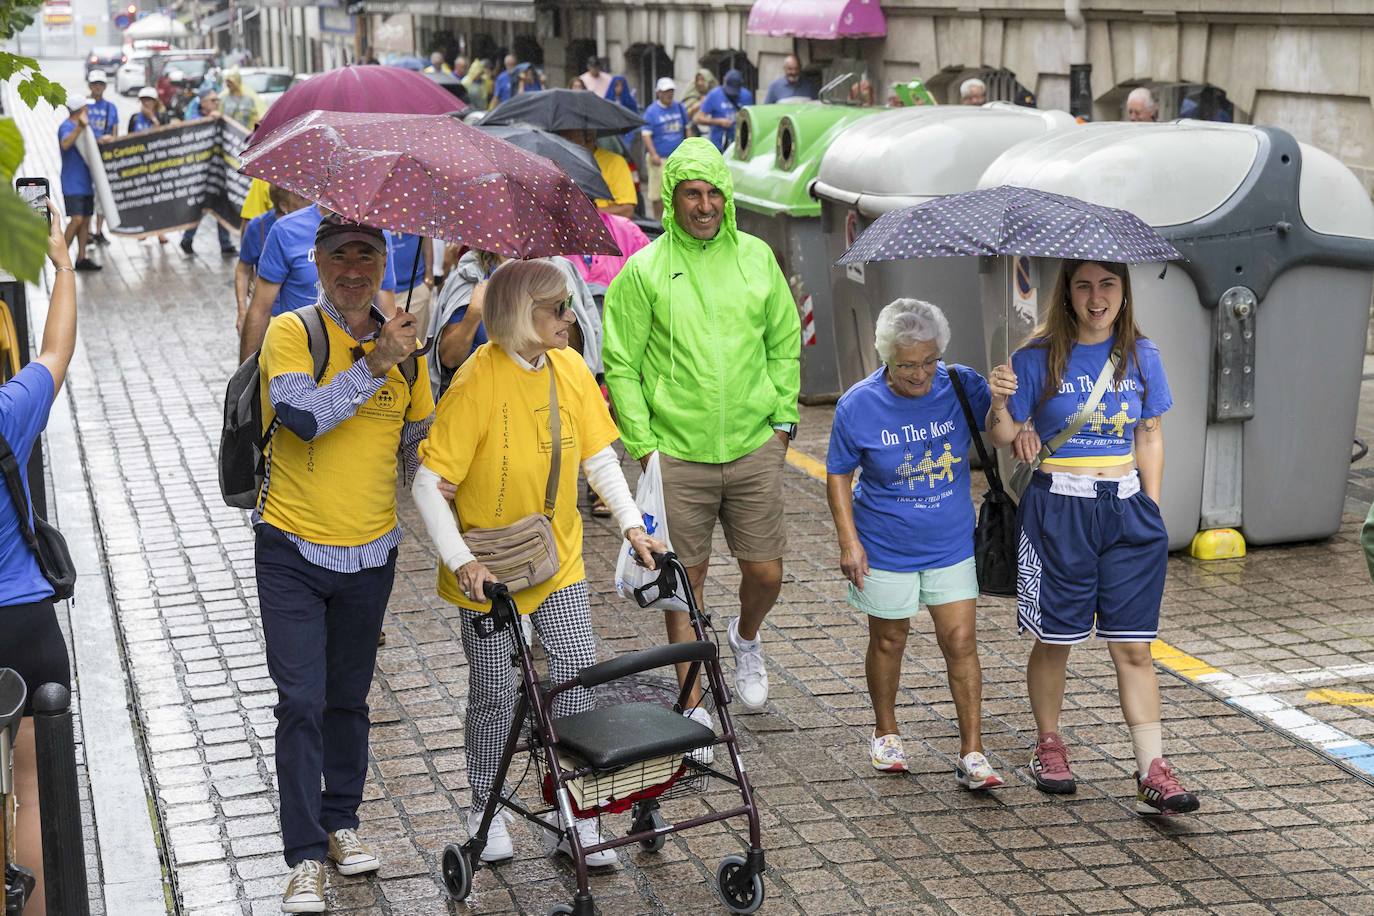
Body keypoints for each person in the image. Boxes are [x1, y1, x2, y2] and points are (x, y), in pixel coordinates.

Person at [411, 258, 662, 867]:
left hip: (557, 557)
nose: (571, 319)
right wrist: (463, 559)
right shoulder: (476, 380)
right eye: (558, 308)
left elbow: (600, 457)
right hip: (490, 570)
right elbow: (427, 484)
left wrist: (631, 524)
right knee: (496, 690)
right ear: (523, 313)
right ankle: (486, 806)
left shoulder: (570, 367)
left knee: (575, 675)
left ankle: (572, 807)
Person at [255, 215, 433, 913]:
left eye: (367, 255)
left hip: (373, 552)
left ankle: (341, 823)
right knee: (300, 702)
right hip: (293, 547)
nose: (354, 269)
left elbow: (420, 441)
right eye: (340, 256)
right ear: (319, 263)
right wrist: (376, 363)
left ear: (385, 263)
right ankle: (303, 857)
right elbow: (302, 416)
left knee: (348, 702)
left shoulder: (405, 347)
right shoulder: (293, 333)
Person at [986, 259, 1200, 817]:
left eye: (1108, 284)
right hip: (1060, 507)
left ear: (1124, 292)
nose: (1096, 296)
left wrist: (1150, 509)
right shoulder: (1036, 357)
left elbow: (1149, 433)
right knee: (1056, 638)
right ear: (1068, 294)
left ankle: (1152, 769)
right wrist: (1002, 403)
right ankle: (1049, 746)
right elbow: (1006, 437)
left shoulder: (1142, 355)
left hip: (1127, 510)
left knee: (1133, 645)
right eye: (1084, 285)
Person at [603, 138, 800, 728]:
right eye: (693, 193)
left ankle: (745, 639)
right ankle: (691, 705)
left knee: (766, 571)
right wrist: (645, 446)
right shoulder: (645, 270)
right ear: (673, 199)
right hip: (678, 454)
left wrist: (783, 421)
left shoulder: (757, 258)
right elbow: (621, 363)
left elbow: (783, 343)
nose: (705, 204)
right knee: (683, 583)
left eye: (715, 192)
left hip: (753, 443)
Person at [825, 299, 1006, 788]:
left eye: (929, 361)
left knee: (961, 642)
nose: (921, 374)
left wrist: (1005, 394)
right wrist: (849, 542)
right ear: (885, 356)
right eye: (908, 365)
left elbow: (999, 428)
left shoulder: (961, 383)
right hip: (885, 543)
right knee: (888, 639)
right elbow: (839, 475)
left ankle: (973, 751)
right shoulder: (859, 404)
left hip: (950, 542)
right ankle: (886, 732)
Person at [0, 201, 75, 916]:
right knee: (31, 790)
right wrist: (60, 265)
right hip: (22, 620)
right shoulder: (8, 411)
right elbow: (55, 350)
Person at [426, 249, 603, 402]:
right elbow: (449, 359)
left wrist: (556, 306)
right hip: (485, 396)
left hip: (543, 397)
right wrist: (473, 313)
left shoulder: (556, 272)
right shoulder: (471, 276)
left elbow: (575, 351)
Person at [240, 204, 399, 360]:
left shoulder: (377, 230)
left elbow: (385, 300)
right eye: (339, 257)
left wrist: (396, 347)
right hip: (301, 349)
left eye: (364, 258)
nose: (352, 272)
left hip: (363, 354)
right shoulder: (286, 229)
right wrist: (244, 378)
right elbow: (260, 309)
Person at [236, 186, 306, 334]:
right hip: (270, 317)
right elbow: (242, 270)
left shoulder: (313, 225)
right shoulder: (258, 227)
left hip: (303, 319)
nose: (308, 200)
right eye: (301, 197)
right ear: (284, 206)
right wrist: (242, 312)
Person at [57, 97, 99, 272]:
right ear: (80, 110)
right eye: (85, 108)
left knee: (86, 220)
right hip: (72, 181)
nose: (88, 111)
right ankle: (60, 257)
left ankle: (81, 258)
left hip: (86, 180)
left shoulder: (87, 127)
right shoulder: (66, 126)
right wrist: (80, 127)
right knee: (76, 219)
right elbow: (65, 144)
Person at [557, 128, 636, 218]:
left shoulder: (614, 162)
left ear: (589, 136)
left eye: (568, 138)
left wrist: (584, 213)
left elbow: (627, 210)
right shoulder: (554, 162)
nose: (561, 142)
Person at [641, 77, 688, 218]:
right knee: (657, 194)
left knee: (678, 191)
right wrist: (653, 154)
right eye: (666, 91)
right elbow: (646, 135)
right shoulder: (651, 112)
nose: (669, 94)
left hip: (678, 158)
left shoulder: (679, 108)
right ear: (658, 93)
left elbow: (687, 129)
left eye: (671, 91)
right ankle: (658, 221)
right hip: (660, 158)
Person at [84, 70, 119, 246]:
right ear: (90, 85)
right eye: (94, 84)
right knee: (88, 194)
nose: (97, 87)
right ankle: (88, 231)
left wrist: (110, 140)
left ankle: (99, 231)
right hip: (86, 156)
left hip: (104, 156)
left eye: (101, 84)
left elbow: (115, 133)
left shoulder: (110, 107)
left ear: (105, 86)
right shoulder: (83, 105)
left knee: (103, 194)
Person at [695, 69, 752, 151]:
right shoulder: (714, 95)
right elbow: (699, 118)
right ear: (724, 81)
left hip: (739, 145)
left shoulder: (746, 96)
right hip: (718, 146)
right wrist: (718, 121)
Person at [391, 232, 434, 333]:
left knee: (415, 345)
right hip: (380, 292)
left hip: (415, 287)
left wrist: (429, 275)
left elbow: (425, 232)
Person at [682, 68, 716, 137]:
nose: (699, 83)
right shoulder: (691, 95)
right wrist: (698, 105)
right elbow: (684, 116)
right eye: (697, 80)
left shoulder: (716, 95)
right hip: (696, 136)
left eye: (702, 80)